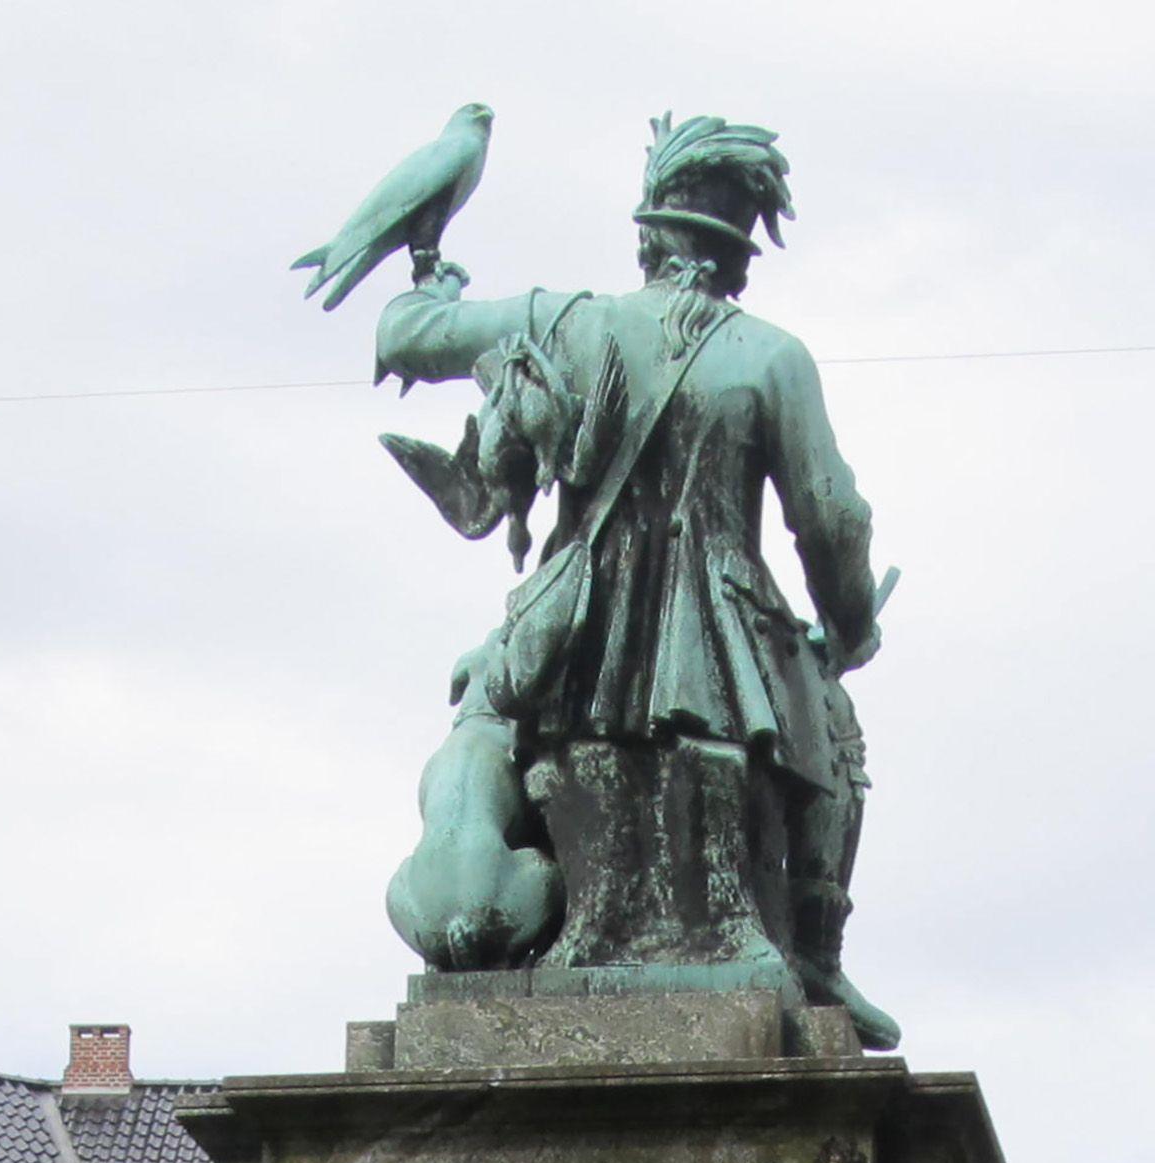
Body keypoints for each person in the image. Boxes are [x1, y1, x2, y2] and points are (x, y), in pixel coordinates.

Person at [372, 113, 895, 1039]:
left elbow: (406, 335)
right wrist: (850, 628)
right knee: (839, 736)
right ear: (739, 256)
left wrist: (430, 279)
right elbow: (831, 516)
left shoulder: (563, 323)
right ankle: (819, 952)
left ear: (648, 231)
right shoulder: (771, 356)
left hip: (578, 652)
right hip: (729, 658)